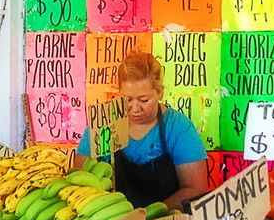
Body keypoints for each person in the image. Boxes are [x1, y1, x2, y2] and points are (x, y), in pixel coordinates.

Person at [75, 50, 208, 210]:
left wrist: (148, 215)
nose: (135, 108)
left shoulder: (178, 128)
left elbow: (196, 189)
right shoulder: (106, 125)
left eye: (144, 100)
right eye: (128, 99)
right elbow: (80, 178)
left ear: (160, 92)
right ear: (119, 91)